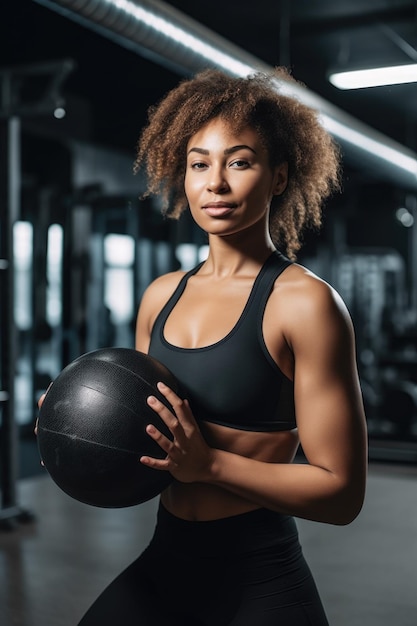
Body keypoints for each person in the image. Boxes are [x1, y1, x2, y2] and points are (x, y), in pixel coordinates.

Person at [80, 68, 368, 624]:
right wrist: (87, 424)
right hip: (166, 560)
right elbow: (147, 444)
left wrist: (210, 465)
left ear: (279, 177)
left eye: (239, 161)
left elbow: (341, 493)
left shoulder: (305, 304)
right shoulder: (160, 296)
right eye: (198, 164)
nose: (215, 183)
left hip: (259, 575)